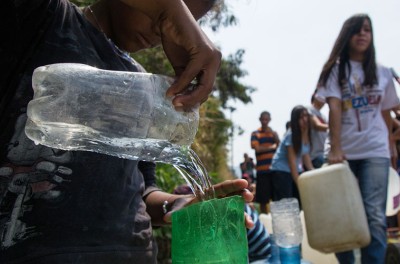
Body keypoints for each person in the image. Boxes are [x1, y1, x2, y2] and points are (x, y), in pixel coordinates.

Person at [0, 0, 254, 263]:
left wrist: (176, 205)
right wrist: (168, 10)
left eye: (190, 20)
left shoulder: (142, 82)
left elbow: (144, 189)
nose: (163, 29)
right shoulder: (43, 18)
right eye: (176, 11)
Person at [315, 14, 400, 264]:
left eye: (367, 30)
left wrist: (392, 146)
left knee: (373, 214)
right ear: (347, 35)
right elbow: (335, 109)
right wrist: (335, 150)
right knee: (343, 215)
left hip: (376, 151)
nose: (362, 34)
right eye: (357, 30)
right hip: (344, 154)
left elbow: (386, 112)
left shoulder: (383, 72)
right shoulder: (335, 70)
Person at [269, 105, 314, 201]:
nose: (305, 119)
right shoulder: (291, 134)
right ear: (295, 120)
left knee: (298, 201)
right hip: (281, 170)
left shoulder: (306, 133)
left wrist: (314, 172)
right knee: (286, 201)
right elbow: (292, 162)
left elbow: (306, 157)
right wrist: (299, 184)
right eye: (301, 117)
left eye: (306, 116)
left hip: (294, 170)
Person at [251, 111, 280, 214]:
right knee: (263, 199)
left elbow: (279, 147)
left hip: (274, 170)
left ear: (269, 120)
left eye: (266, 119)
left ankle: (274, 217)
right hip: (262, 171)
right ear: (260, 119)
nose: (264, 121)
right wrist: (271, 147)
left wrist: (276, 137)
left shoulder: (273, 133)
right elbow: (257, 149)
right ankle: (264, 218)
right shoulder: (255, 133)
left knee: (276, 198)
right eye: (263, 119)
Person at [308, 92, 328, 168]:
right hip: (315, 155)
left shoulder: (323, 116)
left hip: (324, 152)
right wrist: (335, 127)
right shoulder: (309, 109)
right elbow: (317, 125)